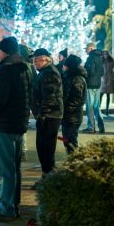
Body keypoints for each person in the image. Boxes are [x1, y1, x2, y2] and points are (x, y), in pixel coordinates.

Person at [0, 36, 32, 221]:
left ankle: (7, 208)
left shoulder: (5, 70)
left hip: (3, 125)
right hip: (18, 124)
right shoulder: (24, 68)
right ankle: (11, 201)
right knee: (14, 168)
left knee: (6, 170)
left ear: (4, 52)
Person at [31, 47, 63, 183]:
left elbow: (49, 97)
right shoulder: (45, 72)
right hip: (49, 115)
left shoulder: (49, 73)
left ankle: (49, 179)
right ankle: (47, 177)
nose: (34, 63)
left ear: (45, 59)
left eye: (36, 60)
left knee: (46, 149)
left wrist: (42, 115)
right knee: (43, 148)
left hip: (50, 116)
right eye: (33, 60)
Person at [61, 54, 87, 154]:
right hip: (70, 116)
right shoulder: (69, 77)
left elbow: (76, 99)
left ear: (69, 66)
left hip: (73, 117)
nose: (63, 67)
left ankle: (74, 162)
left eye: (65, 65)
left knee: (70, 142)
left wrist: (65, 109)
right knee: (67, 141)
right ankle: (73, 160)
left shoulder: (76, 79)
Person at [83, 42, 104, 133]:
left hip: (90, 85)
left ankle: (91, 127)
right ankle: (101, 126)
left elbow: (89, 71)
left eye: (86, 48)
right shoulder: (99, 58)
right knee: (96, 107)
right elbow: (102, 72)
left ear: (91, 48)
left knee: (90, 107)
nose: (85, 50)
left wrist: (84, 75)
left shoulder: (91, 58)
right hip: (97, 84)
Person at [100, 50, 114, 116]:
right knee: (100, 95)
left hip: (109, 80)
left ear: (108, 54)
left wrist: (112, 75)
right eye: (104, 54)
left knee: (108, 96)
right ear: (102, 54)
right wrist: (100, 75)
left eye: (106, 54)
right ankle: (98, 110)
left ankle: (107, 110)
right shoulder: (101, 61)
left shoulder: (111, 61)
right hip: (102, 80)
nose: (105, 55)